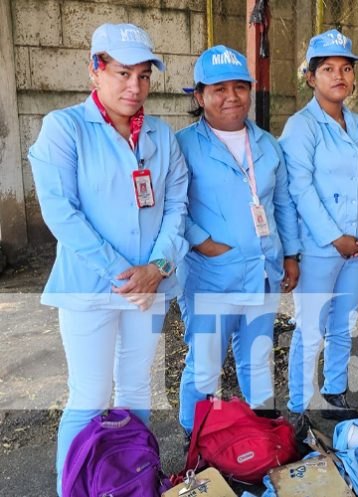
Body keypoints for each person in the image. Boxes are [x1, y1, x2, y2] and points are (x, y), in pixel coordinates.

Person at [27, 23, 188, 494]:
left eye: (143, 76)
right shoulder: (64, 127)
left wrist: (157, 269)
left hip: (150, 287)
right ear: (95, 70)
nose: (134, 87)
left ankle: (128, 481)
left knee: (137, 389)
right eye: (122, 73)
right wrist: (126, 276)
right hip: (90, 289)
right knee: (90, 395)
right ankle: (74, 487)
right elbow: (62, 213)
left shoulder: (162, 135)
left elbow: (177, 206)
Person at [176, 45, 301, 434]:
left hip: (261, 270)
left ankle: (262, 435)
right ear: (199, 96)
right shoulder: (182, 145)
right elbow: (171, 208)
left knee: (257, 357)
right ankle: (194, 440)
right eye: (218, 89)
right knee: (206, 363)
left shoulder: (266, 143)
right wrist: (204, 243)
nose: (231, 96)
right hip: (211, 274)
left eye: (239, 87)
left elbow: (281, 204)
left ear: (251, 90)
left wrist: (291, 255)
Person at [279, 29, 358, 429]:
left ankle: (335, 393)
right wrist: (333, 237)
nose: (339, 75)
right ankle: (301, 406)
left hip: (357, 244)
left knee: (344, 322)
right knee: (311, 328)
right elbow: (299, 190)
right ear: (310, 76)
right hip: (323, 247)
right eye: (328, 69)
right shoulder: (300, 127)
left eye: (345, 68)